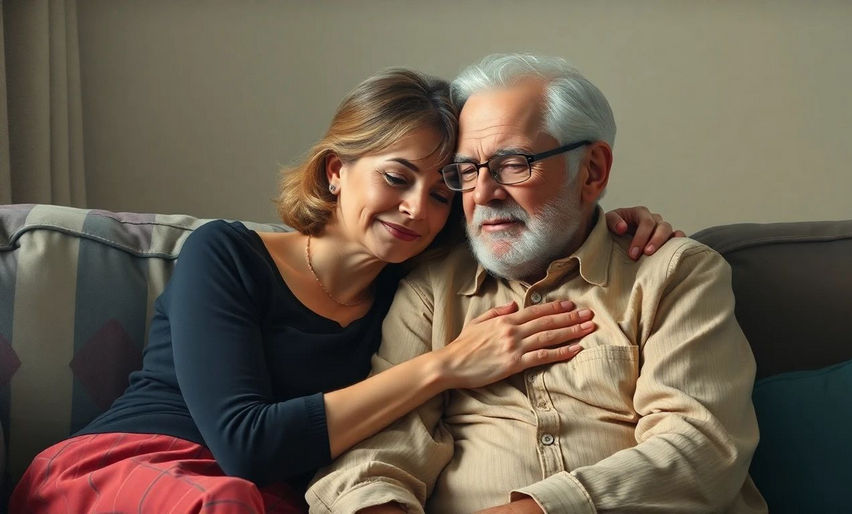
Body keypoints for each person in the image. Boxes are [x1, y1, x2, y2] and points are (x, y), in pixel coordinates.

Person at [9, 68, 680, 513]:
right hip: (127, 472)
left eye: (442, 190)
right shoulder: (226, 254)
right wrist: (444, 366)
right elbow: (245, 441)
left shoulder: (414, 288)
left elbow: (529, 225)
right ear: (336, 171)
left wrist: (616, 223)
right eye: (395, 177)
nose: (417, 208)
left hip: (262, 497)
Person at [306, 54, 767, 513]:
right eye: (467, 171)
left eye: (513, 164)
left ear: (592, 172)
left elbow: (701, 447)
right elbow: (377, 452)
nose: (484, 193)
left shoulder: (673, 274)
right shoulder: (430, 290)